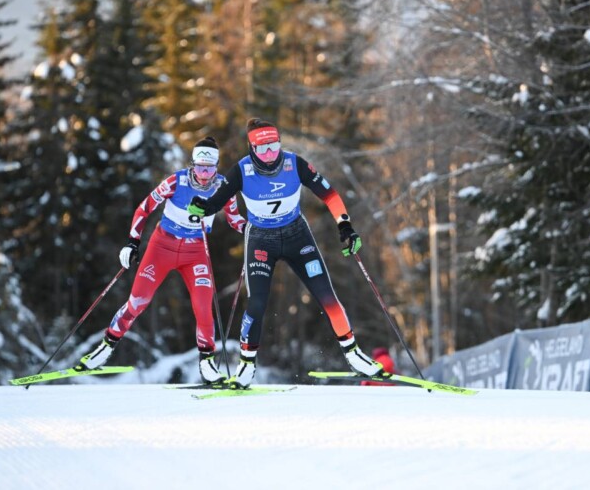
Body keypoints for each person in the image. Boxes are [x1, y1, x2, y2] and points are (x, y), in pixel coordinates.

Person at [187, 118, 384, 388]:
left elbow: (330, 195)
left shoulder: (294, 163)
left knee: (326, 295)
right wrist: (201, 206)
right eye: (262, 149)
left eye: (274, 146)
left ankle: (353, 354)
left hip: (296, 236)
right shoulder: (241, 171)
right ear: (251, 149)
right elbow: (215, 202)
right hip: (260, 239)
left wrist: (346, 226)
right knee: (257, 302)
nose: (270, 155)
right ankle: (246, 363)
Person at [79, 137, 246, 384]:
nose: (204, 174)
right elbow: (144, 208)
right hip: (162, 247)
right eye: (200, 167)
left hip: (196, 251)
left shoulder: (223, 187)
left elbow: (234, 219)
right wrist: (132, 242)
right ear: (192, 164)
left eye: (209, 168)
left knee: (203, 305)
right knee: (137, 301)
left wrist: (253, 229)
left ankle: (207, 362)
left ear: (217, 167)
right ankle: (106, 346)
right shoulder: (176, 181)